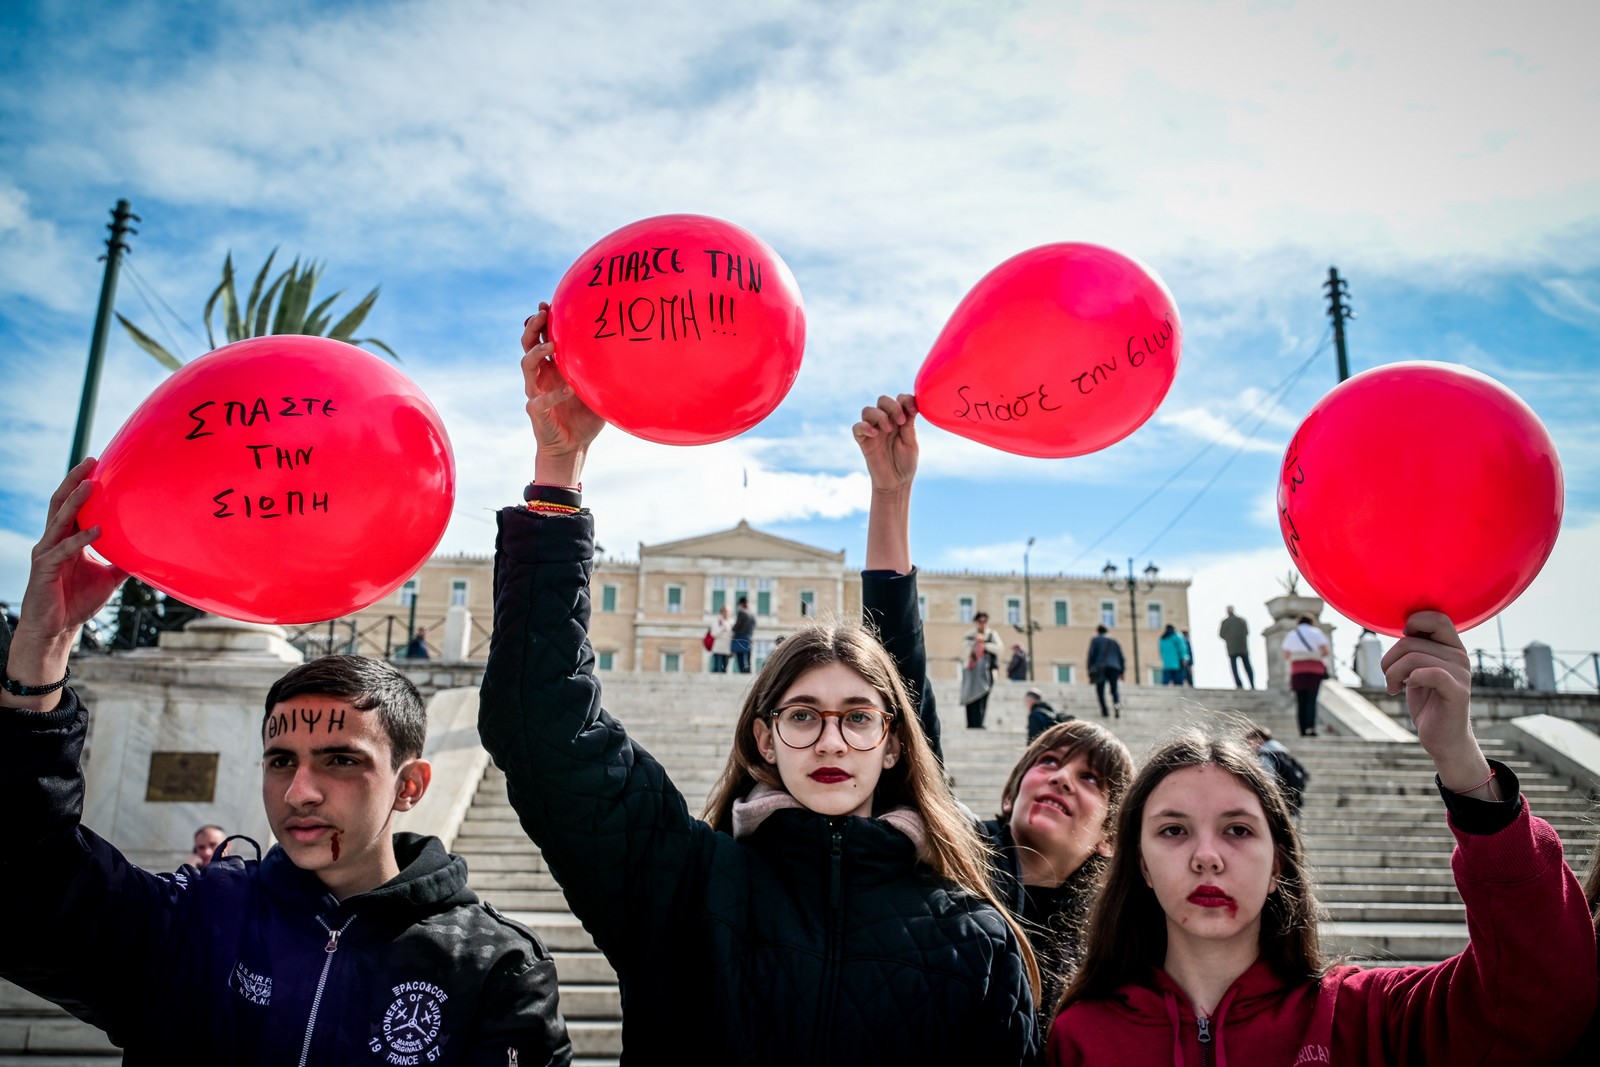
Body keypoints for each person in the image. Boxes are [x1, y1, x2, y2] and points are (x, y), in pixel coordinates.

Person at [476, 310, 1041, 1066]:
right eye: (803, 714)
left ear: (894, 742)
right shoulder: (684, 885)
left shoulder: (975, 938)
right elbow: (542, 723)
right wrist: (558, 465)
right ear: (763, 737)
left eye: (857, 718)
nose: (833, 739)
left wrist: (892, 501)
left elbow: (896, 671)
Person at [0, 461, 572, 1066]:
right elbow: (25, 880)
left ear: (410, 785)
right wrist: (44, 645)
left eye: (340, 760)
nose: (301, 791)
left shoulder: (494, 968)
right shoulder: (195, 921)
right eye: (280, 760)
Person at [1048, 611, 1596, 1064]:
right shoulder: (1079, 1036)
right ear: (1140, 864)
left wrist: (1460, 757)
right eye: (1173, 831)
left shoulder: (1366, 1017)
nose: (1207, 857)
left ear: (1279, 864)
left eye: (1238, 829)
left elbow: (1538, 996)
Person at [853, 392, 1136, 1022]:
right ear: (1010, 794)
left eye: (1091, 778)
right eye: (1049, 762)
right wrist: (891, 496)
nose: (1061, 775)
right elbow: (899, 678)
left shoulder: (1123, 953)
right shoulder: (950, 856)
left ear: (1114, 839)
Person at [1283, 612, 1331, 736]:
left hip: (1298, 670)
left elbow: (1286, 655)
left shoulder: (1292, 634)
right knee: (1311, 700)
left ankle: (1302, 729)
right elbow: (1325, 651)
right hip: (1315, 670)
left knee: (1300, 701)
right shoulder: (1316, 632)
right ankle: (1311, 728)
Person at [1244, 725, 1307, 817]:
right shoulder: (1283, 754)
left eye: (1250, 742)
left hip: (1278, 808)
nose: (1249, 747)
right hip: (1292, 805)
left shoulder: (1266, 758)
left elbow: (1268, 785)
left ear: (1259, 739)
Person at [961, 611, 1003, 729]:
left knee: (983, 697)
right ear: (976, 622)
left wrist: (984, 644)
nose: (982, 624)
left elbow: (999, 648)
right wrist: (975, 643)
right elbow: (965, 650)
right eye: (980, 621)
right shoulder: (970, 635)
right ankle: (971, 723)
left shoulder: (992, 635)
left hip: (986, 671)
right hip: (972, 671)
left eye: (985, 621)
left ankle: (979, 722)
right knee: (970, 697)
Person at [1085, 625, 1124, 718]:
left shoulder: (1095, 640)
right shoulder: (1114, 640)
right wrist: (1122, 670)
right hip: (1114, 667)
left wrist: (1089, 669)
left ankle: (1105, 711)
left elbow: (1091, 655)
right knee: (1114, 689)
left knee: (1100, 690)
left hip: (1100, 668)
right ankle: (1116, 704)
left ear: (1098, 631)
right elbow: (1121, 656)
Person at [1219, 606, 1255, 689]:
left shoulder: (1225, 622)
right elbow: (1246, 632)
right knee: (1247, 667)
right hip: (1243, 647)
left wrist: (1229, 639)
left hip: (1232, 648)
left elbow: (1221, 634)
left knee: (1235, 668)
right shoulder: (1241, 620)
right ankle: (1252, 684)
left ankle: (1239, 684)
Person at [731, 595, 756, 673]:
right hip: (749, 637)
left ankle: (743, 671)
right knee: (748, 657)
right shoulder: (752, 614)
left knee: (740, 657)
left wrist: (732, 628)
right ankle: (748, 671)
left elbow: (737, 625)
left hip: (740, 637)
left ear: (741, 604)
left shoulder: (742, 613)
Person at [709, 602, 734, 673]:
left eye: (729, 611)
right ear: (722, 611)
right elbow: (713, 634)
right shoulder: (716, 621)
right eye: (725, 610)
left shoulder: (732, 622)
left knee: (724, 670)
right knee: (717, 668)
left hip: (727, 650)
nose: (727, 613)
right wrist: (723, 628)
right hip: (718, 649)